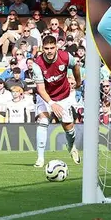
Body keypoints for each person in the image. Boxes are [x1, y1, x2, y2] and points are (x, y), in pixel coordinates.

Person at [31, 35, 81, 168]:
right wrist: (52, 104)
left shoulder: (65, 57)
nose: (49, 51)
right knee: (43, 121)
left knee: (68, 128)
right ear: (42, 48)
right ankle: (40, 158)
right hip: (46, 96)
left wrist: (78, 81)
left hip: (64, 96)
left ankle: (71, 147)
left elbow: (75, 66)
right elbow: (40, 89)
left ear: (56, 47)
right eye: (46, 48)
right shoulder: (37, 64)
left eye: (52, 48)